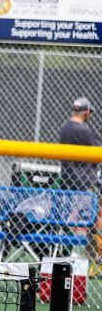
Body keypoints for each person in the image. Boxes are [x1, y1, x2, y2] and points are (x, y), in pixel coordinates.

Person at [58, 97, 101, 274]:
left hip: (69, 180)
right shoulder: (84, 131)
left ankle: (87, 254)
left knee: (78, 218)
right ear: (87, 112)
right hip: (85, 181)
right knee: (92, 218)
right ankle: (88, 255)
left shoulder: (65, 128)